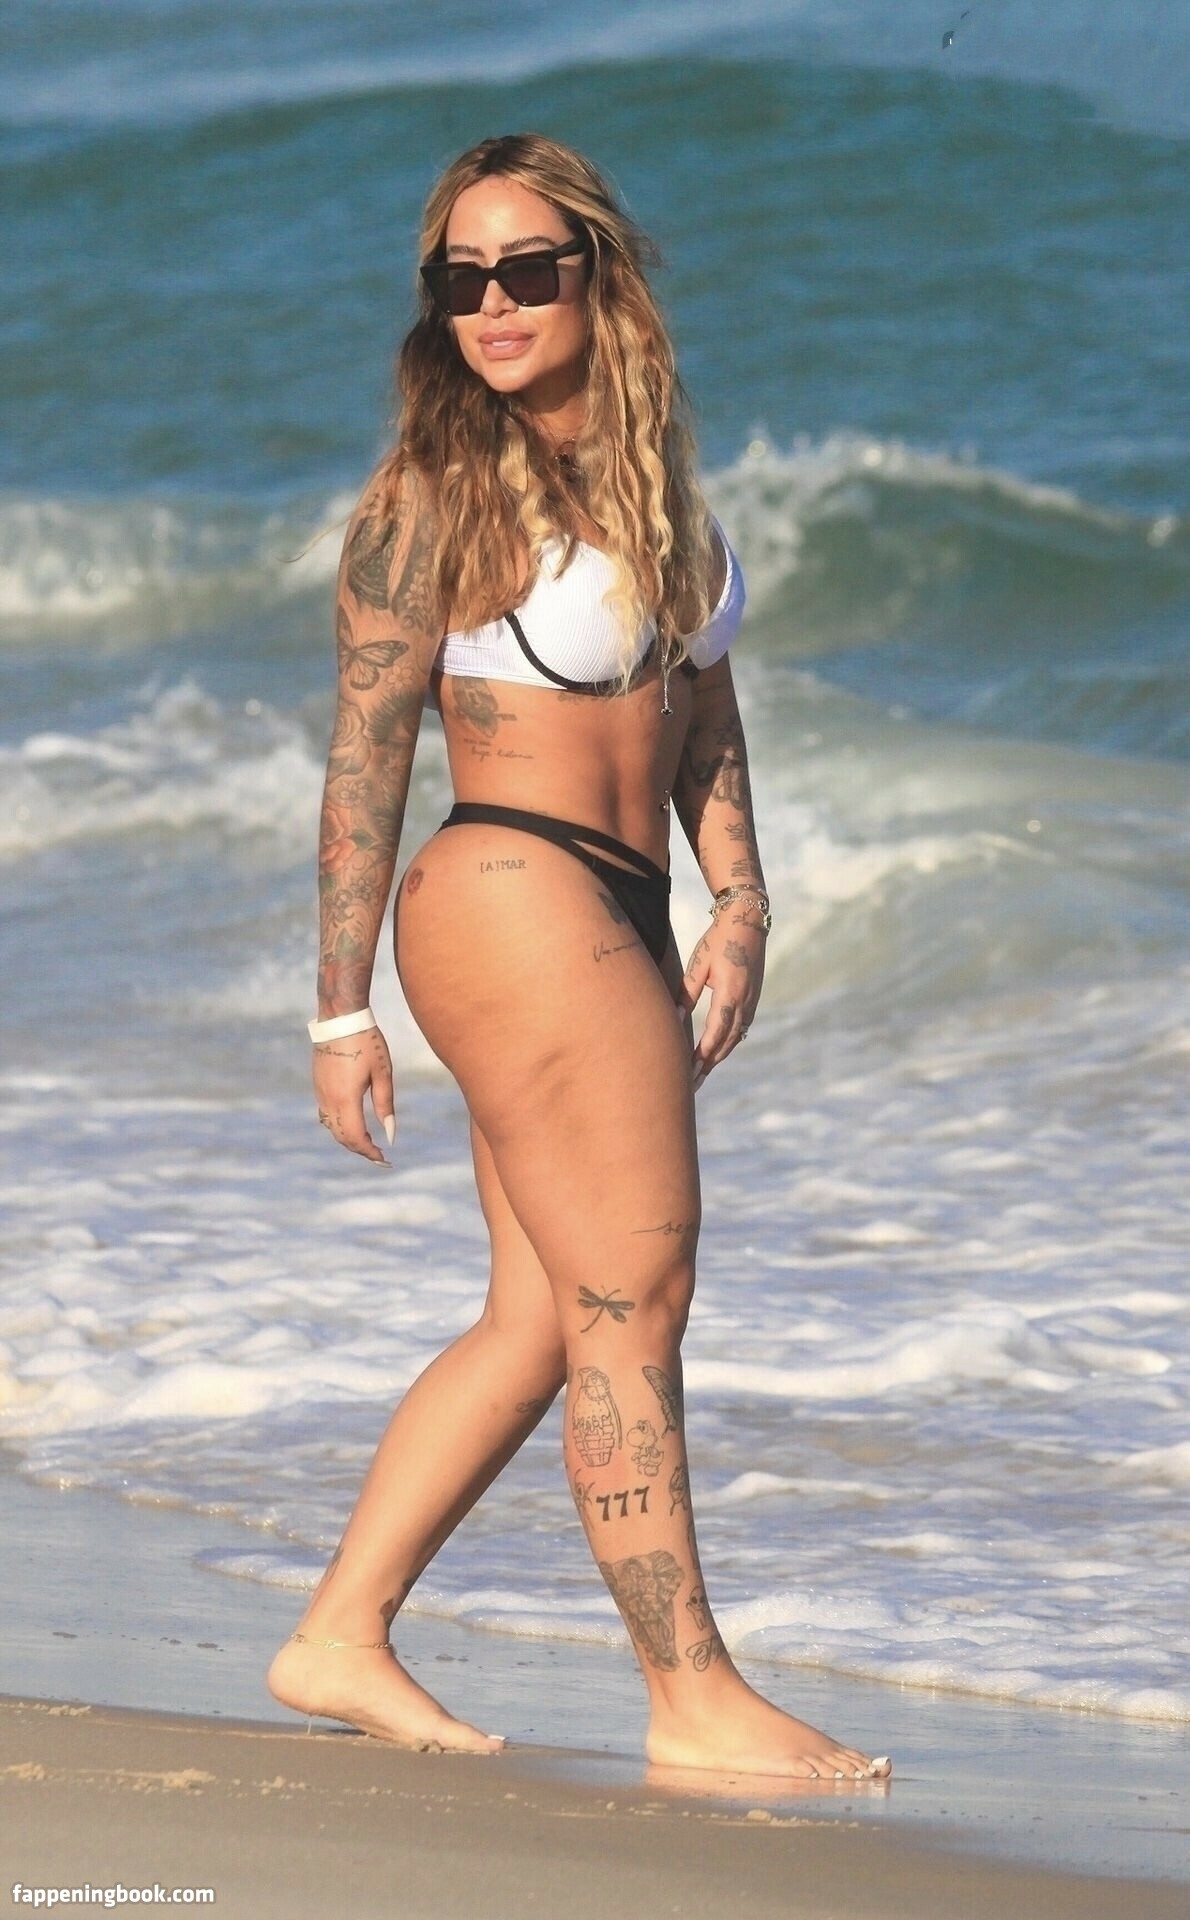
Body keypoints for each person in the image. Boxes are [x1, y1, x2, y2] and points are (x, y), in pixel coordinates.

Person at [267, 132, 891, 1785]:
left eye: (526, 270)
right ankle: (691, 1695)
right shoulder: (430, 501)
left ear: (596, 276)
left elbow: (704, 713)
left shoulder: (655, 493)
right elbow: (362, 760)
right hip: (508, 884)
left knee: (545, 1316)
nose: (491, 304)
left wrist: (738, 901)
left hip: (619, 898)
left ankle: (338, 1634)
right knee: (637, 1293)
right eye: (458, 280)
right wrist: (338, 1013)